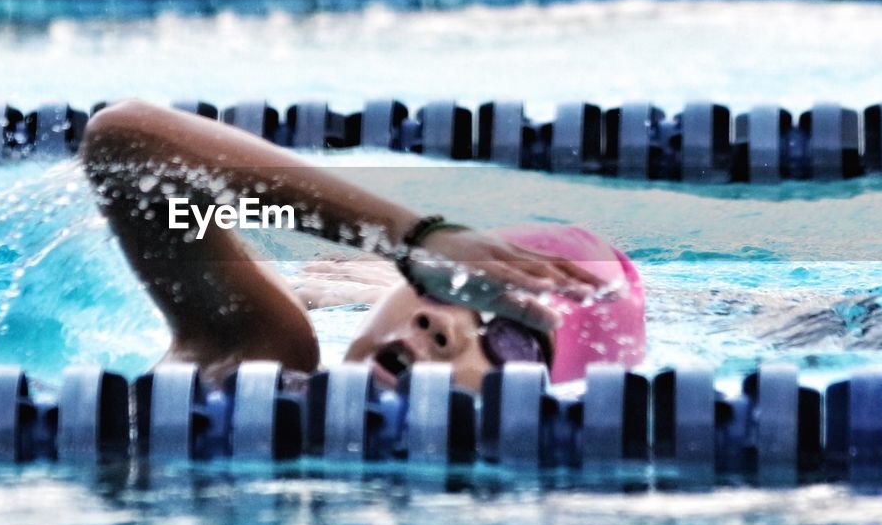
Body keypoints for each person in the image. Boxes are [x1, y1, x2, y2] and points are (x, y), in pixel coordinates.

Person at [81, 99, 646, 392]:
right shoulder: (258, 357)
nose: (441, 326)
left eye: (515, 340)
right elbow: (124, 141)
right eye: (449, 288)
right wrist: (413, 238)